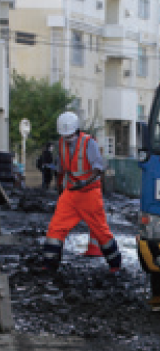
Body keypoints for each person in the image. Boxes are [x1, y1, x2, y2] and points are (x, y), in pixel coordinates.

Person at [41, 111, 122, 273]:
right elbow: (61, 170)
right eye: (64, 136)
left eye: (70, 135)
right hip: (71, 193)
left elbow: (98, 169)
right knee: (56, 227)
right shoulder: (61, 143)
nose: (67, 139)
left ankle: (115, 264)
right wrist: (60, 190)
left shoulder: (88, 143)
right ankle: (49, 265)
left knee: (100, 230)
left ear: (77, 131)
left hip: (89, 193)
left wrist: (84, 182)